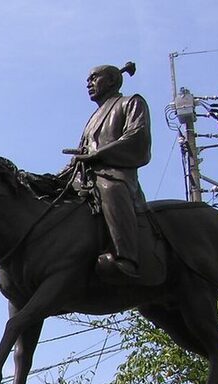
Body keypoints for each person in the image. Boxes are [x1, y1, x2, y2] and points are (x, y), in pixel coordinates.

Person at [65, 62, 151, 279]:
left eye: (94, 78)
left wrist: (99, 154)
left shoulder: (130, 103)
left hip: (114, 174)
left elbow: (136, 136)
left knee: (110, 189)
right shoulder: (92, 119)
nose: (89, 84)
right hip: (85, 177)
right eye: (87, 81)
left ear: (112, 80)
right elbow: (82, 152)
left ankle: (126, 257)